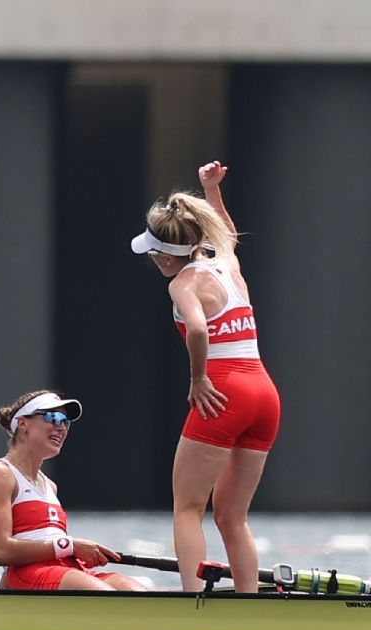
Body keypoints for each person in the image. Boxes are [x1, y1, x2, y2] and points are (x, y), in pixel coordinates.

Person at [130, 161, 280, 592]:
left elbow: (197, 328)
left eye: (153, 253)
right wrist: (211, 191)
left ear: (164, 255)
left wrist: (198, 379)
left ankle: (193, 600)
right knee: (233, 516)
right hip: (264, 392)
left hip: (226, 390)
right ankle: (249, 600)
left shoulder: (182, 284)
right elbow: (228, 233)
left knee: (187, 508)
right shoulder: (226, 263)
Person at [0, 391, 146, 591]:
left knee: (138, 593)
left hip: (66, 568)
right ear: (23, 425)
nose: (62, 427)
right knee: (108, 597)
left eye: (66, 422)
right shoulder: (0, 474)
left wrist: (77, 551)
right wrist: (70, 546)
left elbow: (52, 545)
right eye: (53, 418)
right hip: (28, 573)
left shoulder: (50, 485)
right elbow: (1, 552)